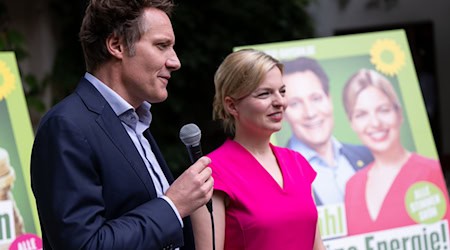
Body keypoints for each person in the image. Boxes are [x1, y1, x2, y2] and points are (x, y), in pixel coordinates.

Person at [30, 0, 213, 249]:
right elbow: (84, 245)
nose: (175, 61)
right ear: (116, 45)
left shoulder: (136, 122)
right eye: (162, 46)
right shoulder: (66, 126)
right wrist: (172, 205)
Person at [193, 49, 325, 250]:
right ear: (232, 106)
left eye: (282, 91)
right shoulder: (210, 174)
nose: (280, 102)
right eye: (265, 94)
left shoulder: (298, 163)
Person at [342, 68, 450, 235]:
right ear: (352, 123)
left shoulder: (430, 171)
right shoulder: (352, 186)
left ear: (399, 113)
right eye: (361, 114)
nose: (375, 123)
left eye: (383, 110)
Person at [282, 56, 374, 206]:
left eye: (316, 98)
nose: (310, 113)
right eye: (295, 104)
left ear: (329, 99)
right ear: (283, 113)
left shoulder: (369, 155)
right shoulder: (275, 174)